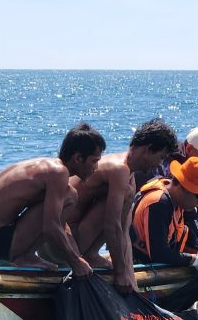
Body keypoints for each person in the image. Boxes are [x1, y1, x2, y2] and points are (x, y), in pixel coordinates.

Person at [0, 122, 105, 276]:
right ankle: (23, 257)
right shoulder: (58, 172)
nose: (95, 168)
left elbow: (61, 225)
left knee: (67, 195)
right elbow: (51, 226)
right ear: (78, 158)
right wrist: (76, 263)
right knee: (70, 196)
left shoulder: (46, 167)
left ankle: (24, 254)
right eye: (94, 161)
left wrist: (78, 257)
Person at [69, 117, 178, 293]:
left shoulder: (129, 176)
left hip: (78, 239)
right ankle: (90, 255)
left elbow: (124, 231)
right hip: (62, 244)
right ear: (148, 150)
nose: (160, 164)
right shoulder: (119, 169)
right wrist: (120, 273)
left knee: (125, 198)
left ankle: (92, 254)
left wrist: (130, 278)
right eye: (161, 157)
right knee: (124, 196)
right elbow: (112, 226)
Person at [130, 157, 198, 281]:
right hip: (139, 267)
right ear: (184, 188)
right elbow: (159, 253)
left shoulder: (177, 202)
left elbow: (170, 245)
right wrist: (194, 260)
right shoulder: (160, 203)